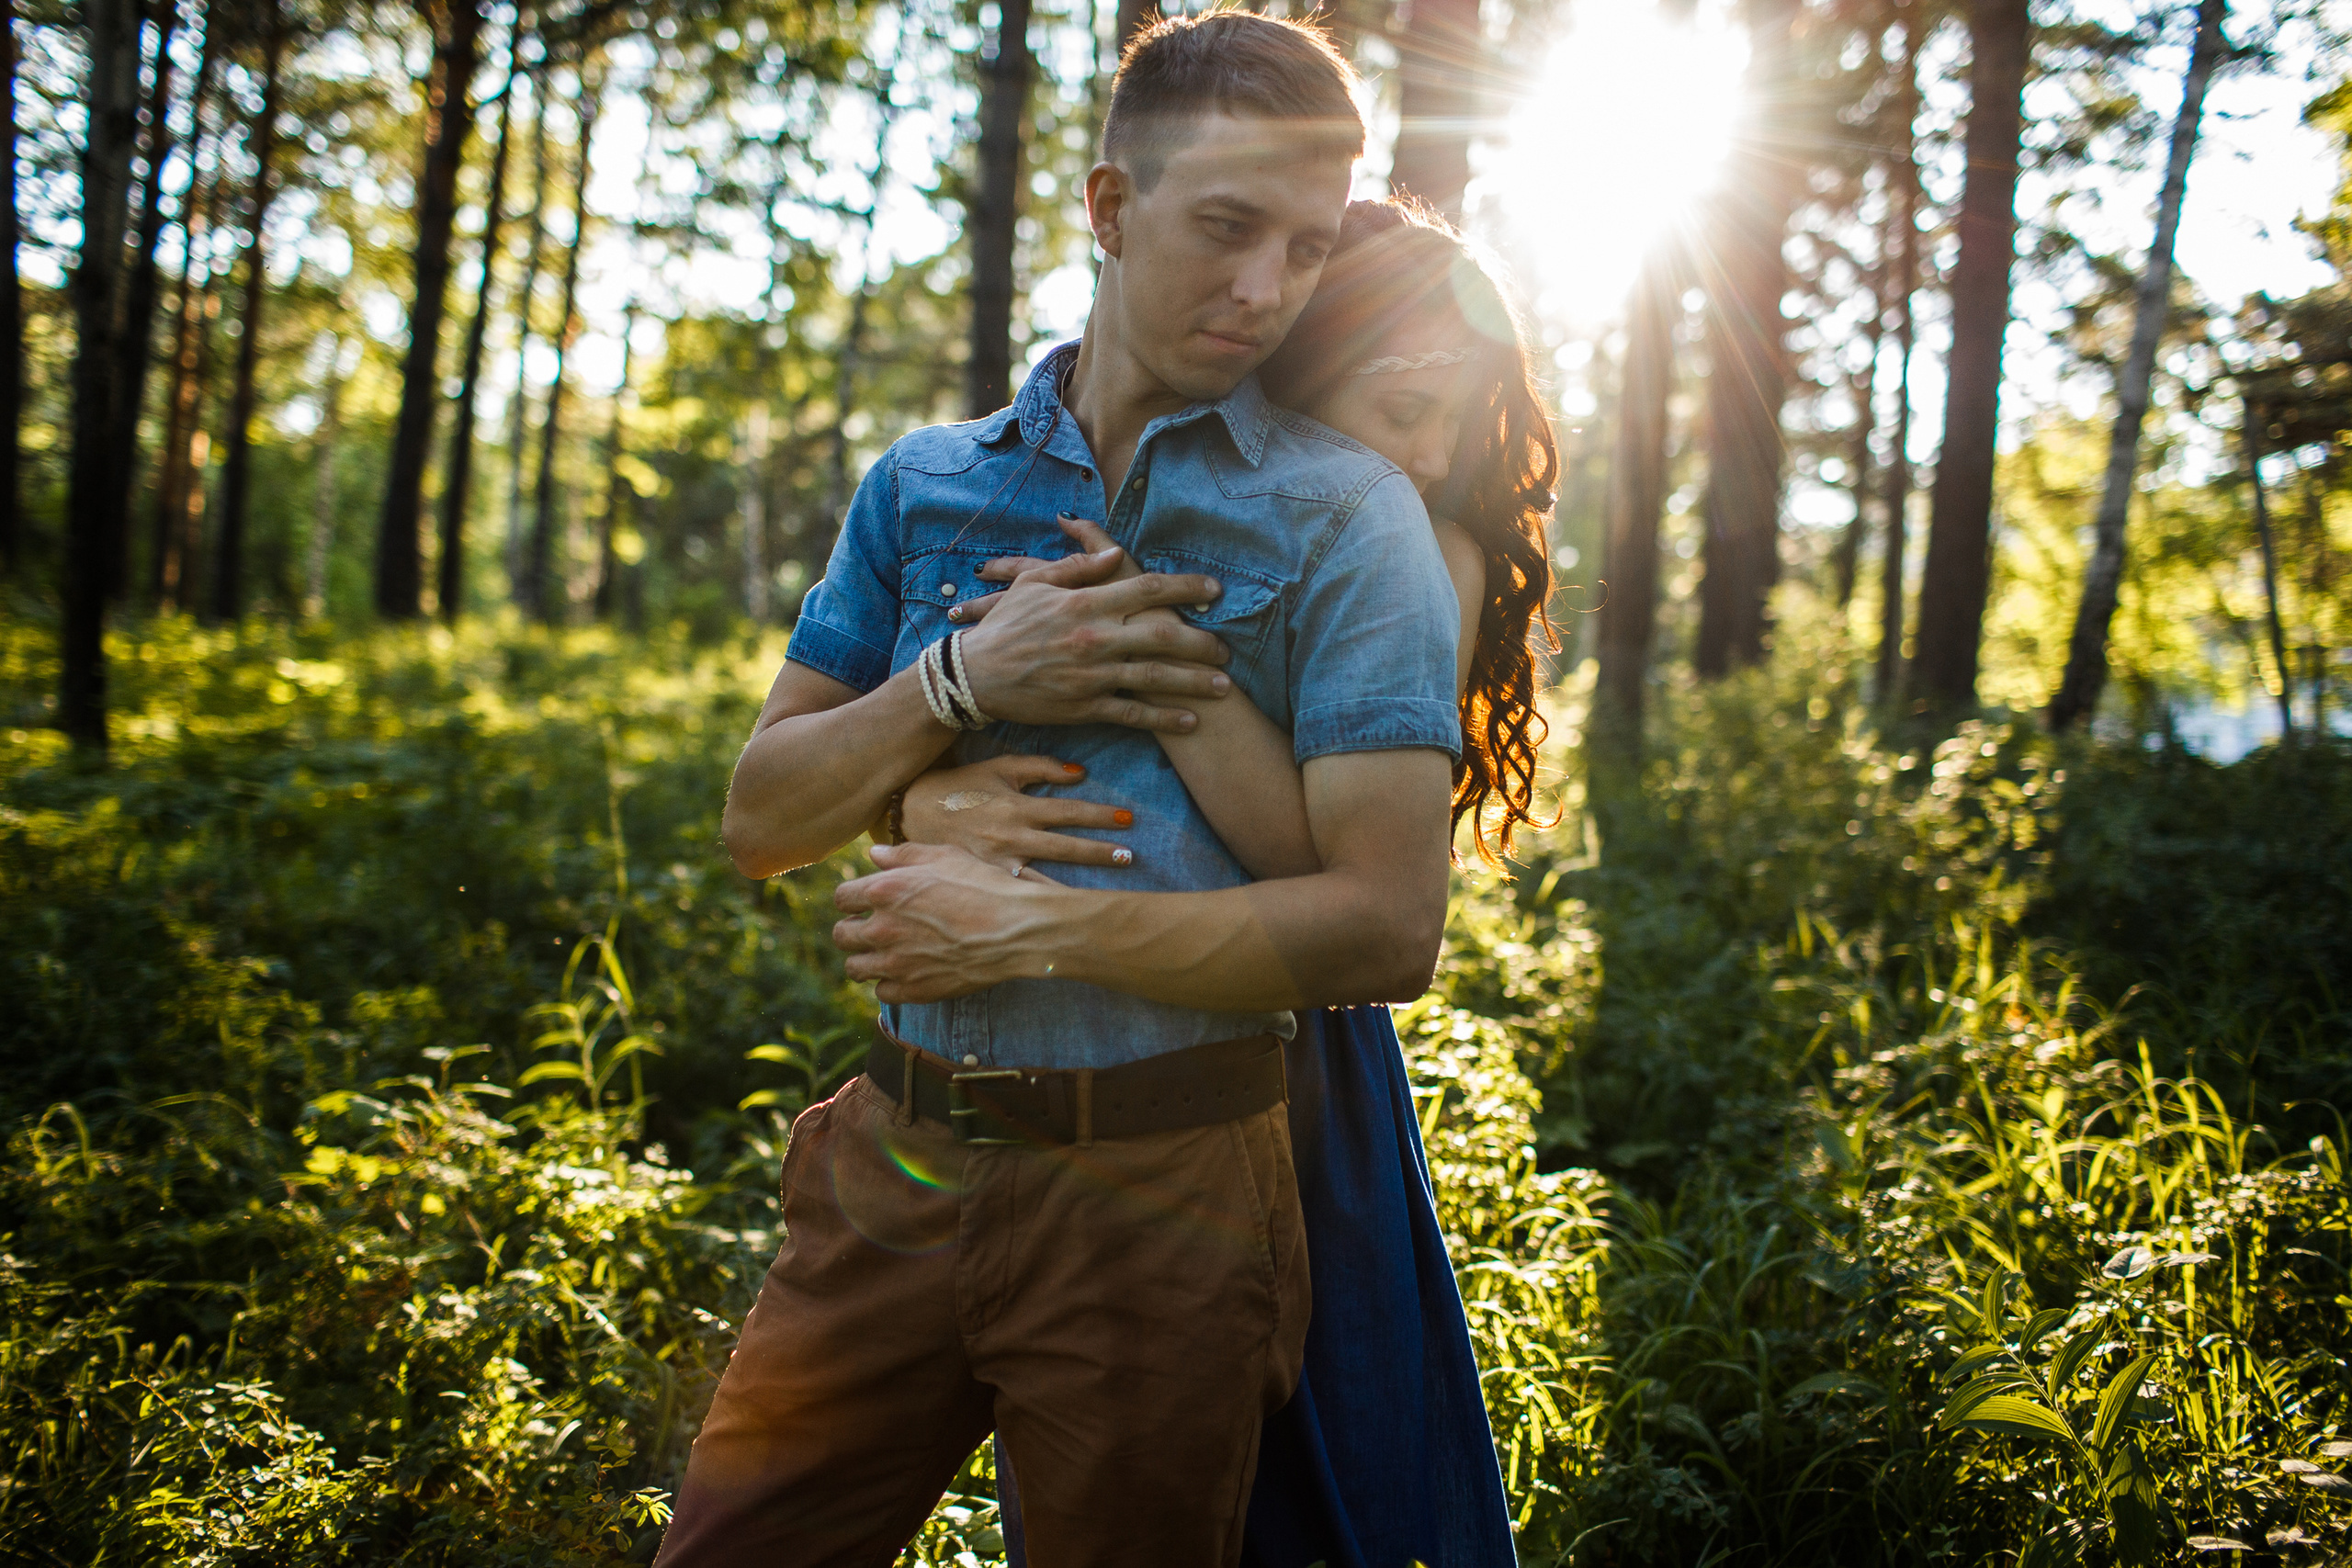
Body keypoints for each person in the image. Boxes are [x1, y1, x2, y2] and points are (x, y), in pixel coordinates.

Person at [655, 15, 1466, 1568]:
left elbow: (1386, 932)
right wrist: (957, 692)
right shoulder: (926, 485)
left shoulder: (1350, 519)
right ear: (1107, 208)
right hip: (894, 1165)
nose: (1263, 292)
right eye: (1226, 230)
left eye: (1304, 250)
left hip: (1169, 1205)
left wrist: (1028, 932)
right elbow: (762, 818)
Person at [913, 199, 1556, 1568]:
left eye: (1459, 416)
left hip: (1285, 1058)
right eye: (1407, 406)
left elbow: (1324, 866)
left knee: (1301, 1485)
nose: (1437, 454)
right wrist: (922, 794)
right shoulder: (1149, 487)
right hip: (1075, 1048)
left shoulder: (1421, 546)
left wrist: (1150, 662)